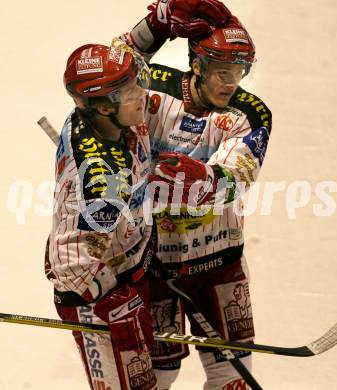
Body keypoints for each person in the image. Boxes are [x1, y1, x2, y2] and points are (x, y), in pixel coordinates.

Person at [121, 1, 272, 389]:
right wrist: (153, 26)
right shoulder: (152, 86)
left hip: (218, 261)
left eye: (240, 71)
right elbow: (109, 73)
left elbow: (239, 175)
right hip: (152, 262)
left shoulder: (250, 113)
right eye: (223, 71)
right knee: (157, 376)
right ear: (198, 65)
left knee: (232, 379)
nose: (232, 82)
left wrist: (205, 178)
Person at [45, 39, 158, 390]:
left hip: (124, 266)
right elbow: (70, 263)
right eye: (130, 92)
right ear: (105, 108)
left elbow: (112, 58)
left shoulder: (96, 117)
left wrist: (152, 28)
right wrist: (113, 301)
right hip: (93, 297)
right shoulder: (104, 182)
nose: (143, 94)